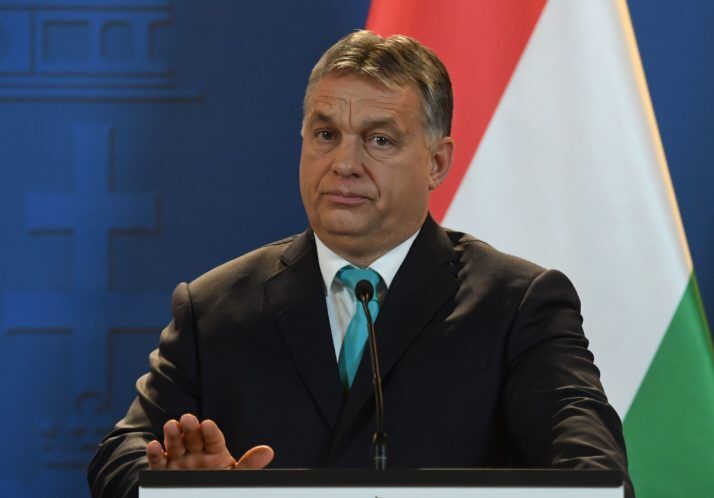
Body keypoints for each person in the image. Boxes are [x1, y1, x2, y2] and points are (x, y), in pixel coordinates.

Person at [87, 30, 633, 497]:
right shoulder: (213, 307)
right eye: (326, 135)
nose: (344, 163)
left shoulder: (518, 304)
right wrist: (185, 488)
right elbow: (121, 455)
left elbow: (594, 475)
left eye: (379, 140)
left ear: (437, 162)